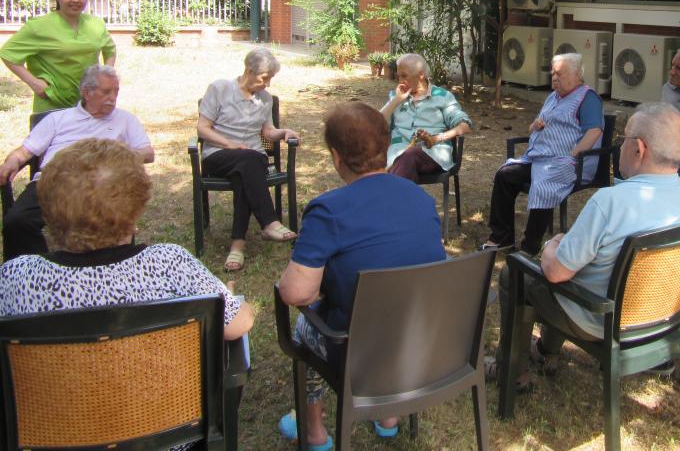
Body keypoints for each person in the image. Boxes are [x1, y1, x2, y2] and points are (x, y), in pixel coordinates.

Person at [0, 139, 254, 451]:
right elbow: (237, 324)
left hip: (52, 440)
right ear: (136, 208)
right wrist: (231, 300)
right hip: (167, 436)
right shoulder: (169, 263)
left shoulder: (15, 277)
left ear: (48, 208)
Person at [493, 103, 680, 388]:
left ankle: (511, 372)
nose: (619, 146)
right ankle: (546, 351)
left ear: (639, 148)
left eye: (623, 139)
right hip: (666, 314)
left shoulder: (610, 202)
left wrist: (550, 246)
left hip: (604, 321)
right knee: (576, 262)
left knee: (515, 274)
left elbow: (556, 273)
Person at [278, 101, 446, 448]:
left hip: (360, 353)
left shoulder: (329, 210)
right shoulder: (421, 199)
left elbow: (296, 294)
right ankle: (388, 416)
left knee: (305, 326)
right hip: (423, 341)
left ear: (336, 157)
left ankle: (314, 431)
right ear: (386, 147)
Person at [0, 65, 153, 260]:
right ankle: (37, 267)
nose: (113, 97)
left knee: (115, 224)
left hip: (104, 185)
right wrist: (12, 161)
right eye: (106, 91)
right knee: (17, 221)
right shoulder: (58, 119)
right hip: (54, 181)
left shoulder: (125, 119)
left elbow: (148, 153)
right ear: (86, 92)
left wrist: (115, 156)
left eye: (116, 91)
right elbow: (25, 151)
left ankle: (114, 267)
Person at [482, 52, 604, 255]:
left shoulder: (587, 97)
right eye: (552, 73)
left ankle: (530, 246)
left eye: (560, 74)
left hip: (571, 163)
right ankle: (501, 238)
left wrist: (574, 155)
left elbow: (594, 131)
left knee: (545, 184)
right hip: (540, 158)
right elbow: (533, 127)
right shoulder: (553, 97)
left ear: (577, 75)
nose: (554, 78)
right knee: (505, 175)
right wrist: (535, 125)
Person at [197, 48, 299, 272]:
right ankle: (269, 222)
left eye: (271, 79)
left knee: (246, 170)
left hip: (251, 161)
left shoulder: (265, 99)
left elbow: (268, 132)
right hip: (219, 155)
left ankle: (238, 246)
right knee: (250, 162)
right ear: (249, 71)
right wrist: (229, 144)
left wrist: (283, 132)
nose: (268, 84)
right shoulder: (220, 89)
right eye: (264, 78)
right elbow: (202, 128)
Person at [1, 0, 116, 113]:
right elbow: (7, 54)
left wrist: (105, 78)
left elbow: (110, 50)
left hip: (89, 103)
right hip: (53, 103)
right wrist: (35, 83)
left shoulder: (96, 24)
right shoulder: (39, 26)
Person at [380, 52, 472, 182]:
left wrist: (436, 138)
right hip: (396, 154)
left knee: (409, 156)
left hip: (432, 154)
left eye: (404, 76)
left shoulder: (442, 96)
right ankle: (399, 193)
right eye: (398, 76)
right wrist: (396, 100)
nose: (400, 81)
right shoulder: (396, 96)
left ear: (421, 75)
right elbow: (376, 123)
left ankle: (392, 194)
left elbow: (465, 125)